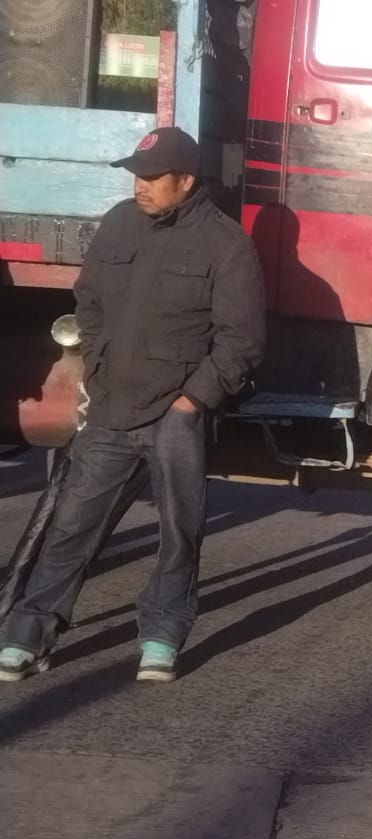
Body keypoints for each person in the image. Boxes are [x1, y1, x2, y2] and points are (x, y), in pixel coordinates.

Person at [0, 126, 266, 684]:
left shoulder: (226, 243)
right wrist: (96, 364)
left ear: (186, 181)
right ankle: (27, 636)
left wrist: (194, 401)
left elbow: (242, 338)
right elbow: (88, 300)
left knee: (179, 531)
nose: (140, 186)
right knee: (72, 524)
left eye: (151, 177)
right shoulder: (120, 222)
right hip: (112, 409)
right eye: (136, 175)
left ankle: (162, 639)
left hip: (176, 414)